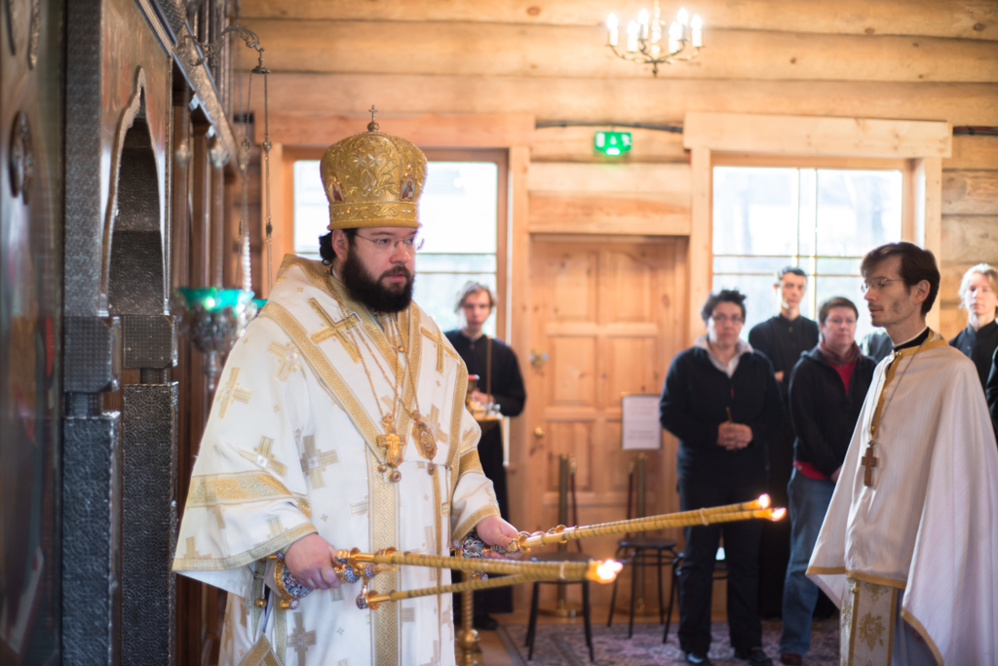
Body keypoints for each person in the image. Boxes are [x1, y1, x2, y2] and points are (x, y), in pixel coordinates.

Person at [172, 121, 519, 665]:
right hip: (324, 603)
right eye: (383, 242)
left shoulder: (429, 339)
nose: (401, 257)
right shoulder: (281, 331)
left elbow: (457, 448)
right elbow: (232, 454)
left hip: (415, 602)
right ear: (340, 242)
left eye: (409, 240)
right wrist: (290, 537)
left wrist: (478, 515)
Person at [807, 242, 998, 665]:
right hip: (866, 554)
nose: (868, 295)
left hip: (915, 567)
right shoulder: (882, 368)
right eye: (866, 284)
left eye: (881, 283)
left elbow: (964, 482)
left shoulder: (953, 372)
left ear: (919, 291)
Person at [660, 289, 782, 666]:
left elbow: (776, 414)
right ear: (708, 321)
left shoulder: (758, 363)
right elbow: (669, 413)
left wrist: (752, 432)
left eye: (734, 318)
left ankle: (748, 644)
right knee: (698, 560)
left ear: (741, 323)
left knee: (746, 561)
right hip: (701, 474)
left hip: (748, 476)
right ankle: (694, 646)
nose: (727, 324)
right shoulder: (685, 363)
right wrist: (711, 433)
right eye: (720, 317)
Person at [778, 297, 876, 666]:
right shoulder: (805, 369)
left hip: (861, 480)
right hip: (814, 478)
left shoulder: (871, 368)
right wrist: (835, 468)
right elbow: (804, 426)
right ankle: (792, 645)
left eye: (850, 320)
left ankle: (859, 643)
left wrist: (853, 470)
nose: (844, 327)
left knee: (862, 564)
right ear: (821, 326)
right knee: (805, 562)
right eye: (836, 320)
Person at [445, 282, 526, 629]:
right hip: (452, 446)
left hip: (489, 447)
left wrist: (490, 400)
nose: (475, 312)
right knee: (455, 519)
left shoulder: (502, 353)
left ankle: (484, 608)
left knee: (489, 518)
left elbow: (517, 401)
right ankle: (452, 602)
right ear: (459, 308)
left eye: (481, 306)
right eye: (469, 306)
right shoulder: (444, 344)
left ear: (489, 310)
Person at [747, 267, 819, 618]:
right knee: (774, 515)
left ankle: (811, 606)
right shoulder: (760, 332)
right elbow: (765, 381)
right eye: (788, 286)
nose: (793, 292)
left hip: (806, 435)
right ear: (777, 288)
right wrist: (795, 375)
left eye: (800, 287)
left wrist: (785, 375)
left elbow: (806, 379)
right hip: (774, 438)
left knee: (807, 522)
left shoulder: (814, 330)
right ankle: (769, 603)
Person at [949, 263, 998, 389]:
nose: (977, 295)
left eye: (985, 289)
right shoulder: (952, 346)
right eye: (972, 289)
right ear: (964, 296)